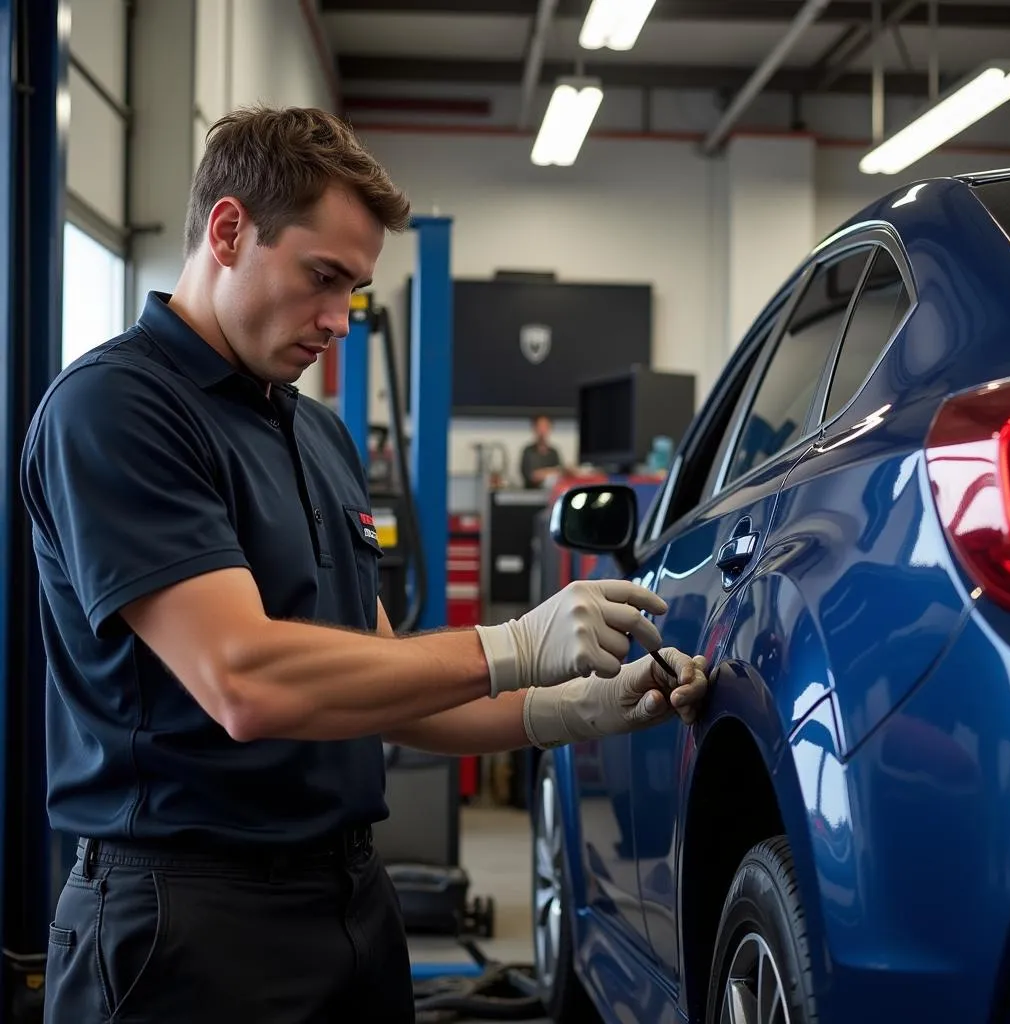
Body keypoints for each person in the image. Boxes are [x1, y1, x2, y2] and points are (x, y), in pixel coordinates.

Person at [20, 106, 709, 1024]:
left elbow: (384, 678)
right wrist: (511, 645)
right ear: (228, 232)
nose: (339, 319)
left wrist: (568, 710)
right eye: (322, 278)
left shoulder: (316, 431)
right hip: (185, 925)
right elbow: (243, 680)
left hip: (348, 901)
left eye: (355, 290)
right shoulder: (117, 411)